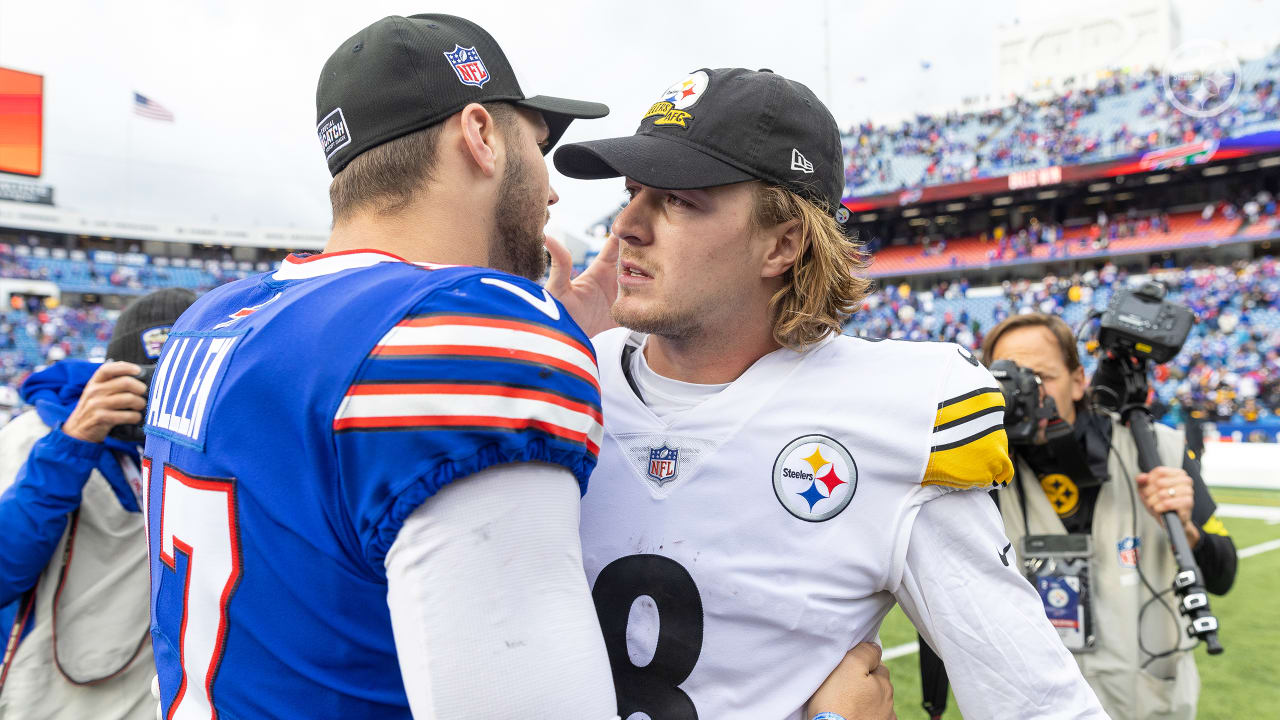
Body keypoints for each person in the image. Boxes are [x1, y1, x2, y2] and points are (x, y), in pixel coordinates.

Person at [550, 67, 1106, 719]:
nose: (626, 228)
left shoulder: (893, 417)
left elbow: (1038, 704)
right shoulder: (561, 378)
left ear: (782, 244)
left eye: (678, 200)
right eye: (634, 192)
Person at [140, 14, 620, 719]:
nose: (550, 192)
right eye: (538, 147)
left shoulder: (208, 320)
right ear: (481, 135)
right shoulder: (463, 335)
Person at [981, 313, 1236, 720]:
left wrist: (1185, 528)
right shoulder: (981, 475)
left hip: (1151, 702)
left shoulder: (1159, 449)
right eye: (1009, 378)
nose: (1027, 391)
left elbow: (1224, 573)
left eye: (1042, 376)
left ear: (1079, 380)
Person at [0, 288, 194, 719]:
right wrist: (72, 443)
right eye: (148, 381)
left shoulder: (209, 448)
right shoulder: (35, 435)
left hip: (158, 693)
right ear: (110, 375)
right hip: (56, 696)